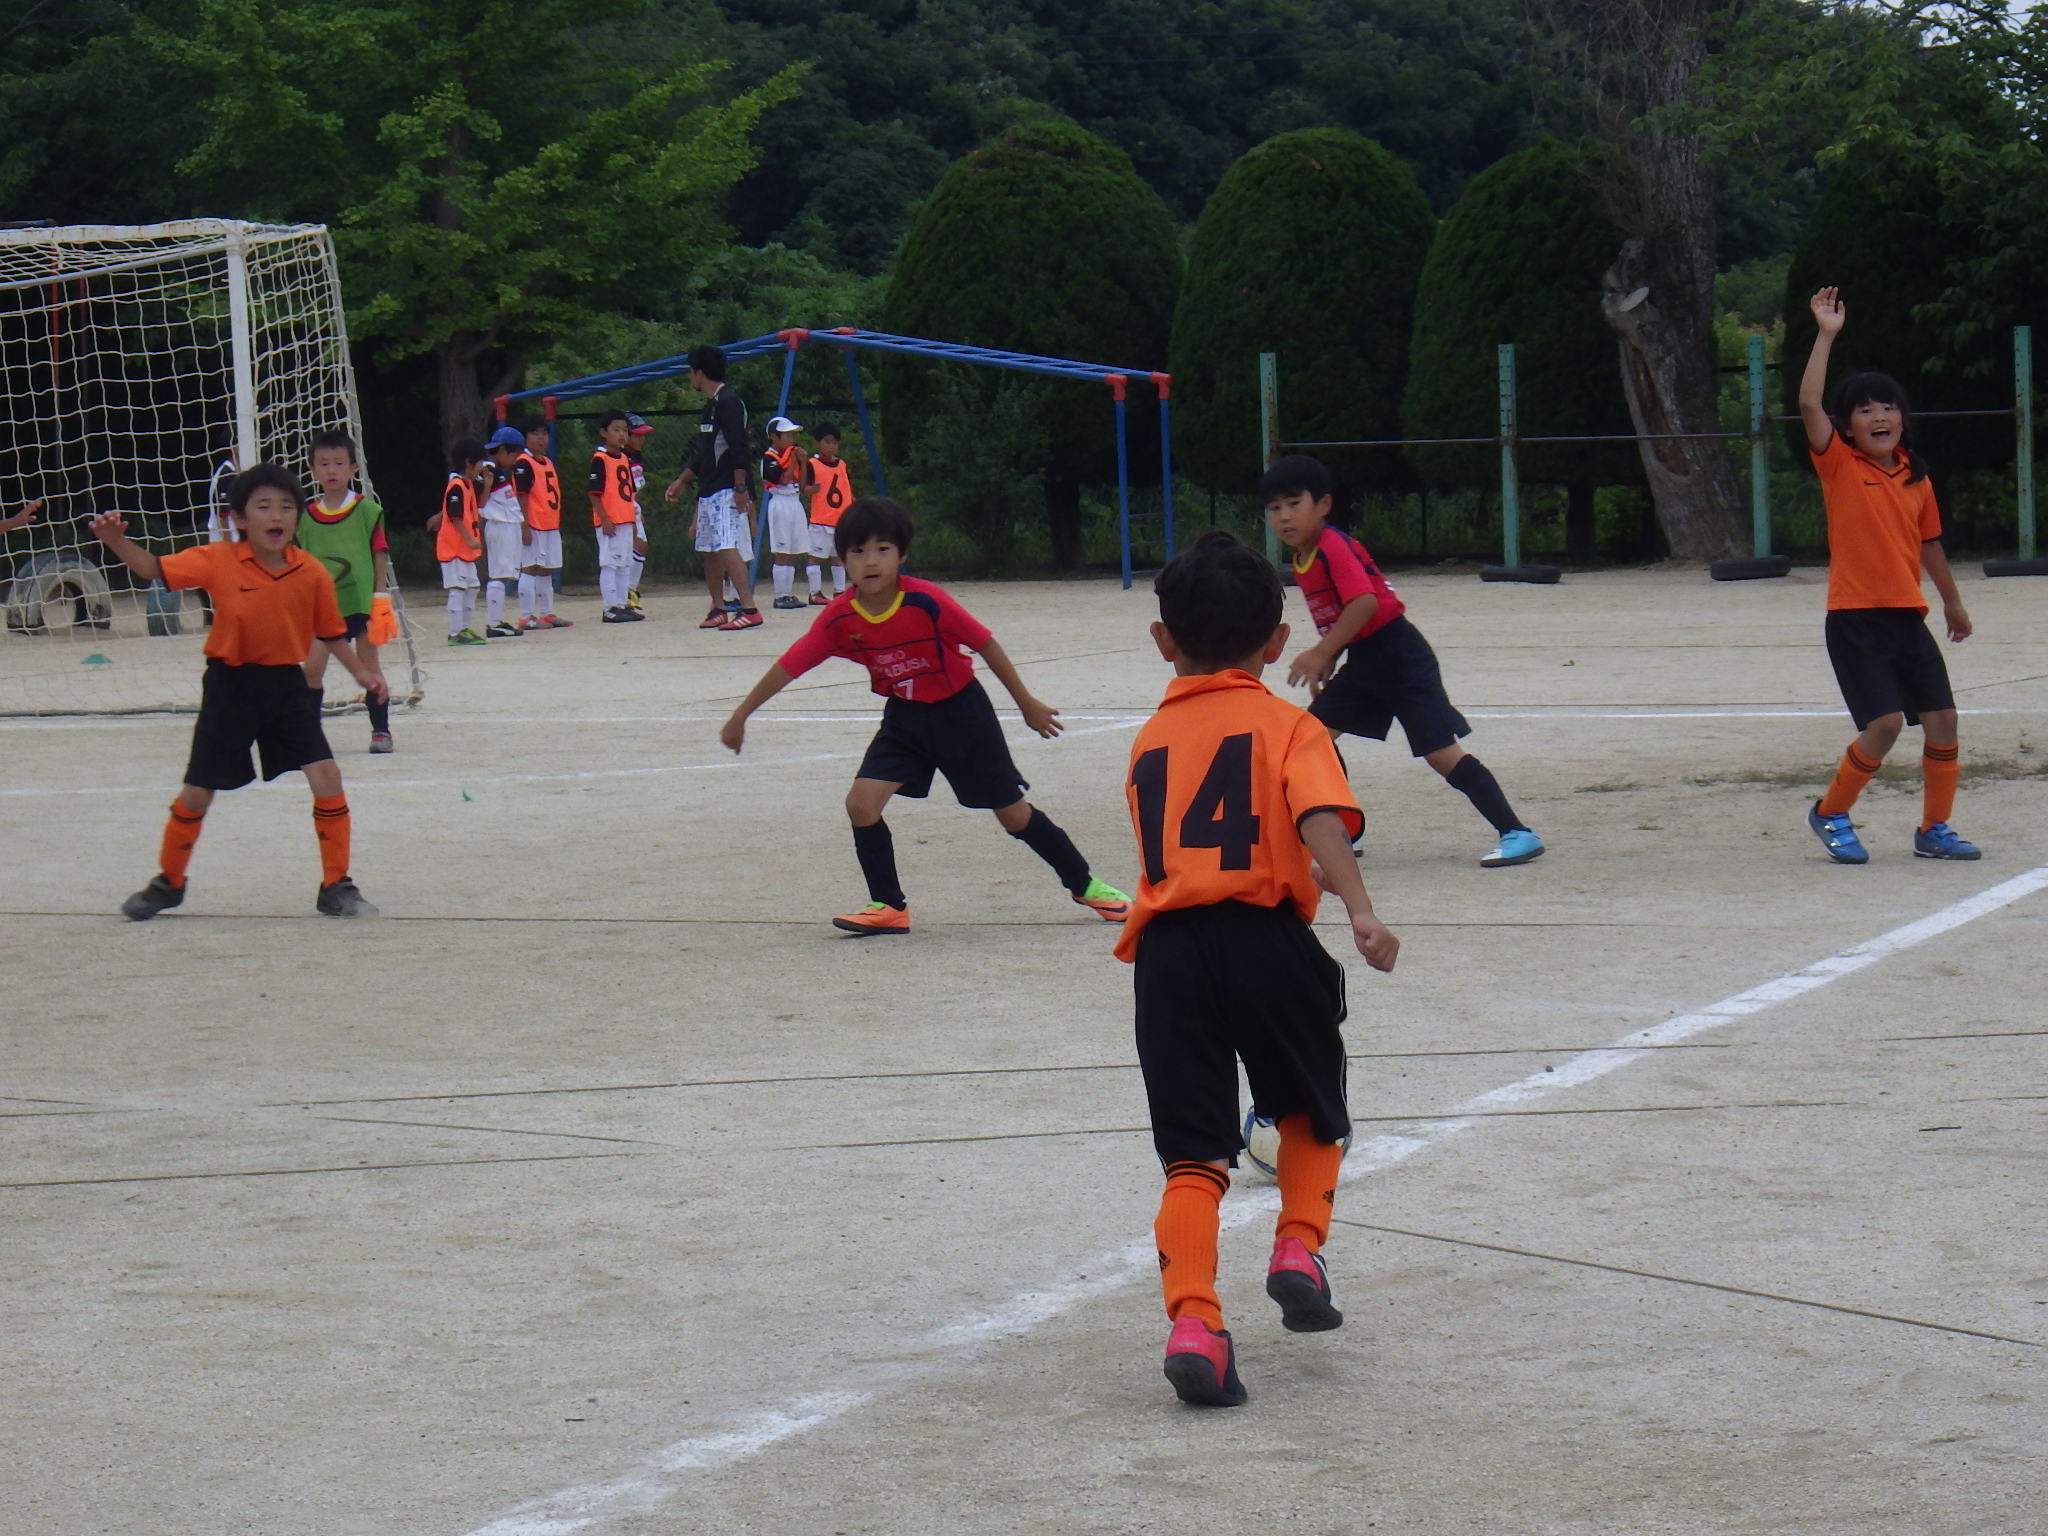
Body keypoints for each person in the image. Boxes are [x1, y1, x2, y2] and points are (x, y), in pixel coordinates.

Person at [1116, 529, 1397, 1407]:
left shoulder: (1149, 741)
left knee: (1193, 1160)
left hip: (1169, 957)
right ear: (1277, 644)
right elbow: (1317, 819)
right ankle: (1297, 1247)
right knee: (1310, 1111)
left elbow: (1197, 844)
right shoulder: (1290, 724)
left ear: (1163, 641)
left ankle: (1195, 1324)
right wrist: (1358, 906)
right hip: (1266, 942)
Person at [719, 496, 1132, 934]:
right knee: (861, 804)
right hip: (906, 718)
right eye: (858, 551)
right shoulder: (839, 618)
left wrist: (1026, 703)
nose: (870, 561)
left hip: (962, 714)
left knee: (1013, 815)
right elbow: (791, 665)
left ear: (902, 555)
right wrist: (741, 715)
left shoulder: (926, 600)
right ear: (842, 560)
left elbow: (985, 643)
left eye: (882, 549)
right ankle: (889, 906)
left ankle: (1086, 885)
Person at [90, 465, 387, 920]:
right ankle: (168, 883)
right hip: (230, 687)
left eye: (286, 507)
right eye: (263, 506)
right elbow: (152, 569)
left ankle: (337, 885)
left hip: (286, 686)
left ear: (298, 518)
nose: (277, 515)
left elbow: (331, 633)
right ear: (240, 519)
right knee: (198, 791)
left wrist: (363, 674)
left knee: (327, 775)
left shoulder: (310, 572)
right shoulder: (217, 559)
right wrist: (115, 541)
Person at [1264, 454, 1544, 869]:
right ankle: (1342, 832)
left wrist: (1322, 651)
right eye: (1274, 508)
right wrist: (1331, 657)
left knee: (1440, 753)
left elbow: (1364, 603)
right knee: (1313, 737)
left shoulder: (1331, 546)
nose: (1284, 516)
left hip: (1399, 655)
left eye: (1294, 503)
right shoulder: (1303, 558)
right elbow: (1345, 617)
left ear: (1323, 505)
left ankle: (1517, 833)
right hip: (1366, 659)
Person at [1799, 286, 1978, 863]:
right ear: (1846, 426)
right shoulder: (1839, 465)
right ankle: (1830, 812)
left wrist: (1952, 602)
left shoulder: (1914, 476)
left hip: (1907, 617)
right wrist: (1826, 335)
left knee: (1943, 720)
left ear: (1903, 417)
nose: (1880, 417)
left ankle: (1934, 829)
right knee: (1884, 725)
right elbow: (1808, 404)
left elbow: (1929, 544)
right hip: (1856, 620)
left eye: (1889, 407)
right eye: (1865, 410)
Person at [297, 430, 395, 753]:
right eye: (324, 463)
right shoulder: (303, 517)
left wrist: (380, 597)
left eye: (339, 463)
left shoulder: (367, 510)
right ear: (312, 469)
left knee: (369, 667)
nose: (332, 470)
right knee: (312, 669)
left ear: (353, 468)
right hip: (322, 608)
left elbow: (379, 553)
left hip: (362, 603)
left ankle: (381, 731)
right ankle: (310, 736)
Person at [663, 344, 761, 631]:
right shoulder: (711, 406)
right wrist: (681, 481)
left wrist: (741, 487)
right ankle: (718, 608)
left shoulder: (730, 402)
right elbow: (704, 453)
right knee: (709, 549)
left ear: (699, 372)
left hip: (727, 489)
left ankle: (749, 609)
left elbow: (739, 446)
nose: (689, 377)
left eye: (690, 371)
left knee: (727, 546)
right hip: (708, 489)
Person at [426, 439, 487, 646]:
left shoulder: (468, 485)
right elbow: (455, 516)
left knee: (472, 587)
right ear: (469, 462)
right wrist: (469, 538)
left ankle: (464, 627)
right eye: (480, 462)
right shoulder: (457, 486)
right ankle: (455, 633)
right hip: (454, 549)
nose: (482, 466)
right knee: (458, 588)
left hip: (464, 550)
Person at [511, 417, 570, 630]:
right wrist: (524, 524)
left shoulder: (547, 462)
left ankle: (546, 613)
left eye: (544, 433)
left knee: (547, 569)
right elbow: (521, 496)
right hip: (534, 523)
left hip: (549, 523)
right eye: (535, 433)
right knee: (530, 567)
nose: (540, 438)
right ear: (524, 438)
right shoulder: (523, 463)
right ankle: (526, 616)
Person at [588, 410, 643, 624]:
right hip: (610, 521)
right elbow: (594, 492)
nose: (621, 435)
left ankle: (621, 605)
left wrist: (633, 520)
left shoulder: (624, 459)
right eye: (616, 430)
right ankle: (609, 607)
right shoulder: (600, 459)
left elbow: (629, 492)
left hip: (625, 518)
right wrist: (604, 519)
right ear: (604, 432)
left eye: (625, 430)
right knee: (610, 564)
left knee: (625, 564)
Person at [477, 426, 529, 639]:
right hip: (500, 525)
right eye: (514, 455)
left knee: (504, 573)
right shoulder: (487, 470)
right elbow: (477, 500)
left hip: (507, 524)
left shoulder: (496, 471)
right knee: (499, 574)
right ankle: (494, 623)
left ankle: (496, 621)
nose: (515, 461)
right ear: (502, 451)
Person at [760, 414, 811, 609]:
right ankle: (780, 595)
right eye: (786, 435)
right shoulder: (769, 458)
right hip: (780, 502)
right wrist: (793, 460)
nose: (791, 439)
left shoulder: (791, 455)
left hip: (794, 501)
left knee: (792, 550)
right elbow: (782, 479)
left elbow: (802, 483)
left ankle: (788, 593)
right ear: (773, 437)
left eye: (792, 435)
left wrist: (803, 462)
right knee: (782, 550)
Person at [804, 423, 852, 603]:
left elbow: (846, 488)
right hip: (820, 520)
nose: (831, 446)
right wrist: (811, 489)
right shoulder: (812, 464)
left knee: (838, 557)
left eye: (835, 443)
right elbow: (805, 487)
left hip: (839, 520)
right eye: (827, 442)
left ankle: (839, 591)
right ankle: (814, 593)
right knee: (815, 556)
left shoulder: (842, 465)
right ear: (817, 443)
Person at [626, 413, 655, 614]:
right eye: (636, 435)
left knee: (641, 547)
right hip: (622, 508)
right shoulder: (620, 457)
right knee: (635, 546)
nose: (641, 439)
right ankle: (626, 592)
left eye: (642, 435)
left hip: (632, 504)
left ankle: (631, 590)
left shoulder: (636, 456)